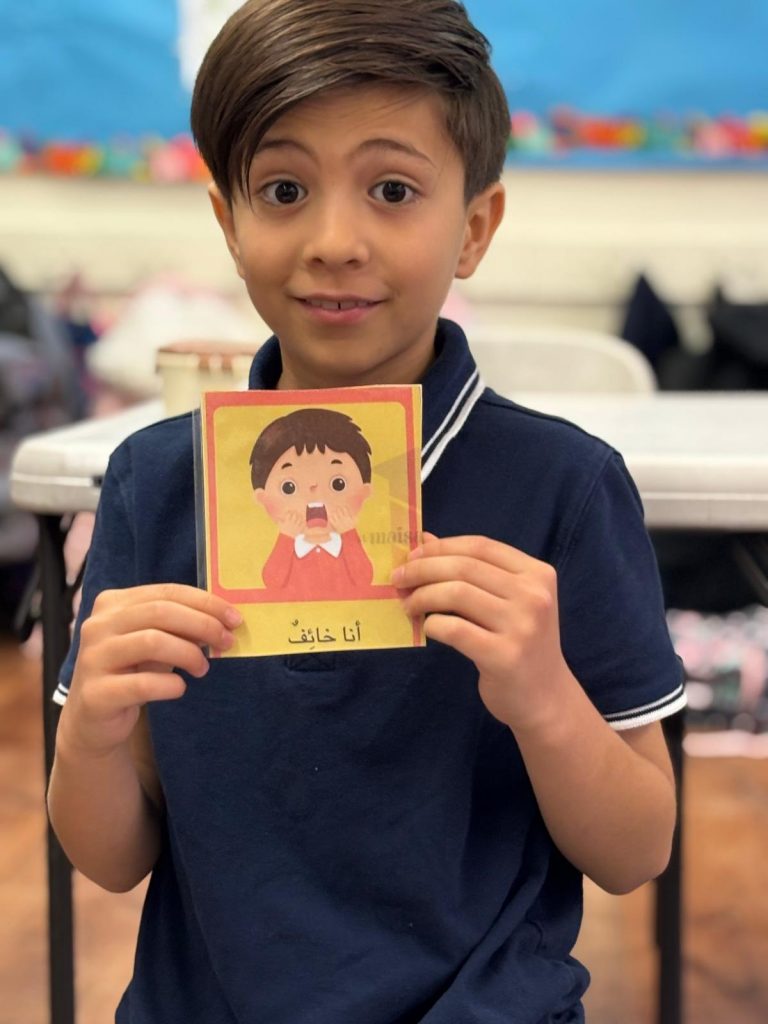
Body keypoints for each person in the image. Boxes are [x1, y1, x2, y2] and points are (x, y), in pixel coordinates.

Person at [47, 2, 684, 1021]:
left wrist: (543, 697)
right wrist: (89, 733)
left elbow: (636, 849)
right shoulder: (152, 485)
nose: (334, 242)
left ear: (474, 227)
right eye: (283, 190)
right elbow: (114, 858)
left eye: (393, 190)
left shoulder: (563, 486)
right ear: (228, 222)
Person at [250, 407, 374, 599]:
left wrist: (349, 533)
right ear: (263, 499)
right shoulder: (289, 548)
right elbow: (272, 581)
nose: (314, 489)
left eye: (338, 484)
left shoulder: (345, 546)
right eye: (289, 487)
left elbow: (363, 578)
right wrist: (286, 537)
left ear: (364, 492)